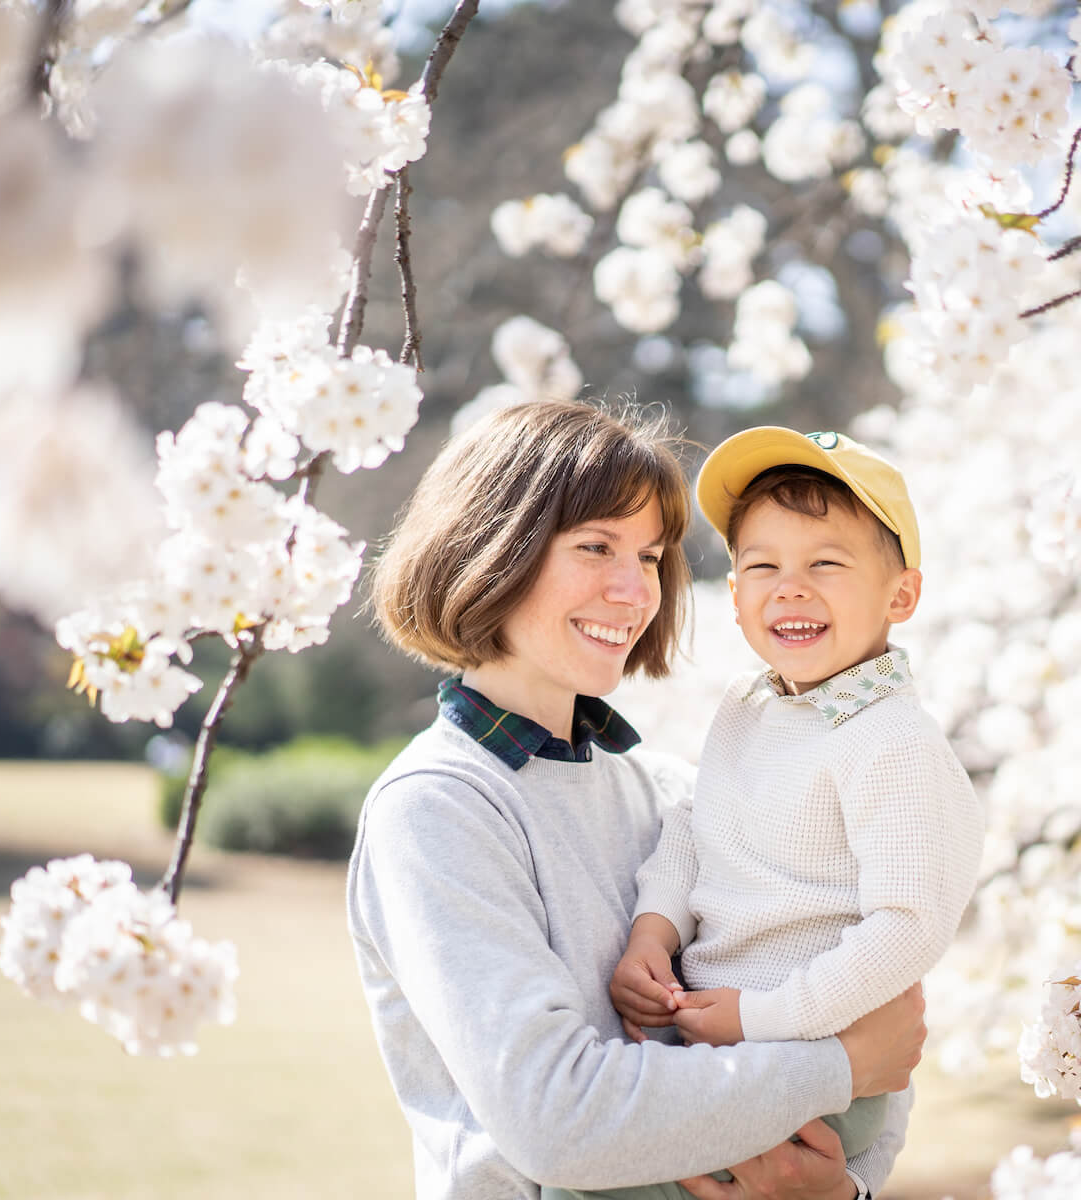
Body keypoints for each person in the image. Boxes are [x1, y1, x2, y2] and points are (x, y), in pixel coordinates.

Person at [346, 401, 926, 1200]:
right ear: (491, 547)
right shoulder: (438, 809)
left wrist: (839, 1193)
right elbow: (558, 1119)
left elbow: (879, 1038)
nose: (632, 592)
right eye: (595, 547)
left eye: (651, 557)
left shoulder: (674, 793)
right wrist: (839, 1068)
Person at [555, 428, 984, 1200]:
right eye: (762, 567)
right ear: (736, 597)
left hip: (815, 1060)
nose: (789, 587)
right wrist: (654, 931)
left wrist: (765, 1018)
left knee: (602, 1185)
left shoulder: (890, 741)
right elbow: (696, 827)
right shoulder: (749, 708)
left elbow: (908, 926)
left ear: (901, 595)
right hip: (729, 1046)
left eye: (825, 563)